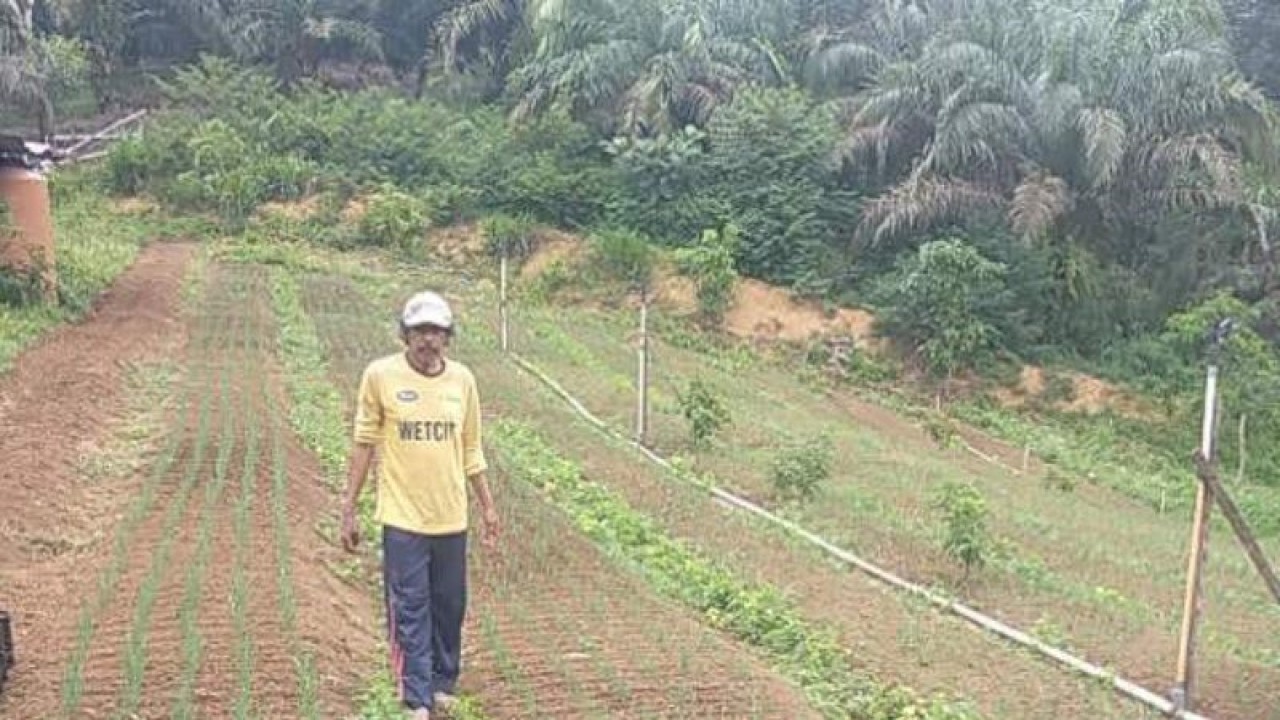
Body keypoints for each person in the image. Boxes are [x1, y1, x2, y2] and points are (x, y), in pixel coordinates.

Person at [341, 289, 500, 720]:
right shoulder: (380, 376)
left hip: (450, 515)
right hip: (402, 516)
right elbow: (364, 443)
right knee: (410, 604)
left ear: (448, 337)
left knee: (450, 603)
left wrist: (487, 506)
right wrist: (349, 507)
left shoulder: (462, 381)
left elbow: (471, 449)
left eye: (437, 331)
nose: (428, 340)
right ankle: (417, 696)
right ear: (404, 335)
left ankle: (443, 682)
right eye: (420, 331)